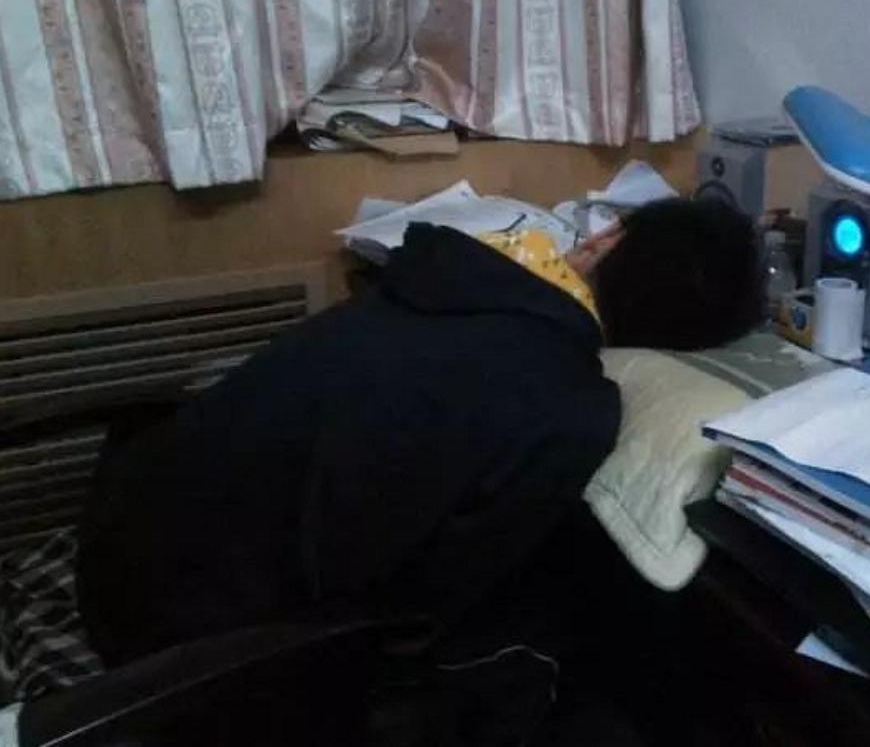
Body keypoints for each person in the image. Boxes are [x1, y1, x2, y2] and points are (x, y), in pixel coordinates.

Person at [76, 197, 763, 673]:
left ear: (601, 241)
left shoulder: (444, 274)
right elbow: (430, 607)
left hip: (124, 527)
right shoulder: (570, 407)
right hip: (172, 648)